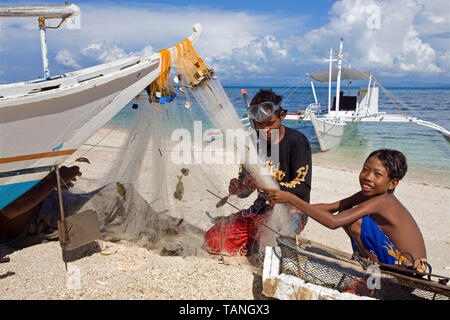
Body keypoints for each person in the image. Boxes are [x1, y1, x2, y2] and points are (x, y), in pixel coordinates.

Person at [266, 149, 427, 270]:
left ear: (392, 183)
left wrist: (291, 198)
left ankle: (374, 269)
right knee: (347, 213)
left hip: (407, 270)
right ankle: (366, 260)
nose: (367, 177)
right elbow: (333, 207)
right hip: (399, 262)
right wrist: (294, 209)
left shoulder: (382, 201)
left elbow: (333, 222)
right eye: (365, 169)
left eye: (377, 174)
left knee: (352, 219)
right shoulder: (373, 195)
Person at [203, 89, 312, 256]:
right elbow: (244, 193)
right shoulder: (251, 145)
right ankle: (253, 240)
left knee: (268, 249)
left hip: (290, 213)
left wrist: (267, 184)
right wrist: (239, 188)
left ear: (282, 116)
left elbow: (303, 188)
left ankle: (257, 241)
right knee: (213, 238)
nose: (266, 130)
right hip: (258, 211)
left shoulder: (297, 141)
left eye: (271, 123)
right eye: (259, 125)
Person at [0, 166, 82, 239]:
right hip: (29, 222)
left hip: (38, 199)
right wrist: (55, 180)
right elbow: (10, 209)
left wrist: (45, 177)